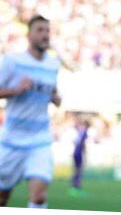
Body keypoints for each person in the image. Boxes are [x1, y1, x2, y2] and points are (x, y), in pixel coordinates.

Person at [0, 15, 62, 209]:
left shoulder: (53, 65)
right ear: (29, 35)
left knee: (39, 197)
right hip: (12, 142)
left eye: (47, 31)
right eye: (40, 30)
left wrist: (55, 97)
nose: (45, 35)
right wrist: (15, 90)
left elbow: (52, 91)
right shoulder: (12, 61)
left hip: (40, 141)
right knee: (2, 198)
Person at [69, 118, 90, 197]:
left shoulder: (79, 132)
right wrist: (85, 153)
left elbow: (75, 142)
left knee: (76, 171)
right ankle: (76, 188)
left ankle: (74, 188)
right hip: (79, 153)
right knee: (79, 171)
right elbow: (82, 144)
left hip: (75, 152)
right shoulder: (84, 133)